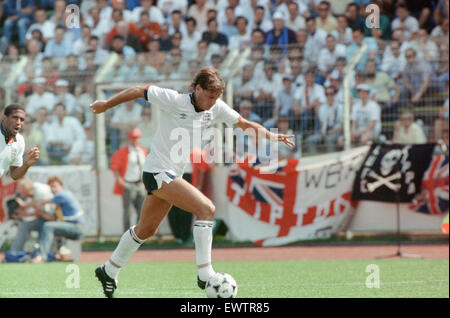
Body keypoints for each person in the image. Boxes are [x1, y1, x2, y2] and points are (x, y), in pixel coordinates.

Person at [90, 66, 294, 298]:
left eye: (217, 97)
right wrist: (106, 105)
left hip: (170, 174)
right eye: (210, 96)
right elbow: (139, 90)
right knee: (206, 209)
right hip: (157, 171)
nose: (213, 101)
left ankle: (108, 270)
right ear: (198, 89)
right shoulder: (175, 100)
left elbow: (245, 124)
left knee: (146, 230)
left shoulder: (215, 107)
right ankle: (205, 274)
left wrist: (272, 135)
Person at [30, 176, 84, 263]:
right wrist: (40, 213)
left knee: (48, 226)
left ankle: (41, 256)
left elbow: (43, 202)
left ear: (61, 186)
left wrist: (31, 205)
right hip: (68, 227)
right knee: (43, 222)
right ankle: (44, 253)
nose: (53, 189)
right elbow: (53, 219)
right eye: (50, 187)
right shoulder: (58, 204)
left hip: (76, 228)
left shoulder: (63, 195)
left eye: (55, 186)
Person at [110, 128, 149, 232]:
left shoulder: (143, 151)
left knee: (141, 211)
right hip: (128, 183)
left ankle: (139, 234)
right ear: (129, 139)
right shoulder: (123, 152)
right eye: (132, 138)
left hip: (140, 184)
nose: (134, 140)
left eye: (136, 138)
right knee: (128, 211)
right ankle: (126, 234)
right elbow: (115, 167)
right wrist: (120, 180)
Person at [8, 178, 54, 254]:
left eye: (25, 194)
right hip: (45, 218)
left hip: (49, 220)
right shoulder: (35, 189)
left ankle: (14, 253)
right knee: (24, 225)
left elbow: (39, 212)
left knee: (24, 226)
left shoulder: (40, 191)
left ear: (28, 189)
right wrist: (24, 208)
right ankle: (15, 252)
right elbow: (36, 207)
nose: (25, 196)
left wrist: (23, 213)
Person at [0, 104, 40, 179]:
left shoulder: (19, 140)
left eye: (22, 120)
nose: (18, 122)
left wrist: (27, 164)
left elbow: (14, 175)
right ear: (4, 118)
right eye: (15, 118)